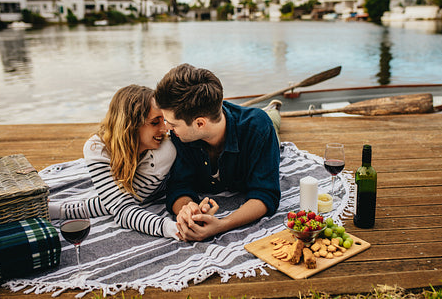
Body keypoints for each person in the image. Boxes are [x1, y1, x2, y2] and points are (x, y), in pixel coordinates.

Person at [154, 63, 281, 242]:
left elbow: (266, 194)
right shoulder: (181, 135)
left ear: (199, 123)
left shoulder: (258, 128)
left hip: (261, 125)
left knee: (273, 121)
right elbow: (178, 186)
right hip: (217, 119)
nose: (166, 128)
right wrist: (189, 210)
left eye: (172, 124)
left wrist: (222, 225)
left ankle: (274, 109)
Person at [49, 85, 180, 239]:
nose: (165, 129)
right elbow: (119, 205)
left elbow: (124, 207)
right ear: (131, 125)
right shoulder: (97, 147)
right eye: (154, 122)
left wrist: (173, 229)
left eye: (163, 120)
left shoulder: (165, 150)